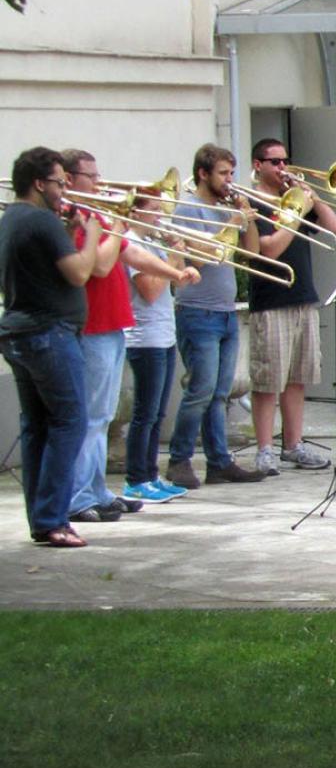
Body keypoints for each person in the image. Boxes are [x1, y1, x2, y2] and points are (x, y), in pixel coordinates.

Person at [60, 149, 196, 520]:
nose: (100, 181)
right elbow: (102, 266)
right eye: (91, 175)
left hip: (112, 327)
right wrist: (118, 224)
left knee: (102, 417)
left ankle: (97, 491)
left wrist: (176, 275)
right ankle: (78, 498)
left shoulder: (96, 217)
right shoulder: (73, 220)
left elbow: (131, 253)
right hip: (91, 329)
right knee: (89, 418)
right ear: (69, 179)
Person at [2, 147, 99, 546]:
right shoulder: (42, 221)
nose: (64, 190)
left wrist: (64, 230)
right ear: (40, 183)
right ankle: (55, 520)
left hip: (20, 331)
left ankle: (43, 520)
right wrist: (91, 236)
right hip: (50, 333)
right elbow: (78, 273)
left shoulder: (11, 218)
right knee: (70, 422)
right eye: (60, 182)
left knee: (39, 427)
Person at [164, 143, 266, 488]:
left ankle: (219, 462)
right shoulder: (187, 208)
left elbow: (249, 253)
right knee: (200, 391)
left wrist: (246, 218)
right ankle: (179, 461)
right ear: (203, 174)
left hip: (224, 312)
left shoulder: (226, 209)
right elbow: (198, 258)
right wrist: (233, 222)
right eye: (223, 173)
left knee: (220, 394)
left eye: (232, 173)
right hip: (197, 310)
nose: (229, 180)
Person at [243, 138, 336, 475]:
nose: (282, 168)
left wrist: (312, 198)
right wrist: (296, 214)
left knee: (298, 377)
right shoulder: (251, 201)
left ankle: (293, 445)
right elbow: (268, 249)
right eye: (274, 162)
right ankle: (265, 449)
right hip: (271, 299)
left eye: (285, 161)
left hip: (304, 296)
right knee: (269, 379)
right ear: (258, 165)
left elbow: (333, 228)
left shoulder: (295, 198)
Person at [121, 188, 195, 503]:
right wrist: (177, 258)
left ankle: (150, 475)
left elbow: (175, 282)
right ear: (135, 212)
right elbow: (150, 290)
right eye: (153, 209)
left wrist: (180, 265)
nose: (160, 216)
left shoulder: (151, 242)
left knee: (158, 411)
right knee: (145, 412)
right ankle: (136, 479)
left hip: (163, 334)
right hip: (144, 337)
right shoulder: (132, 242)